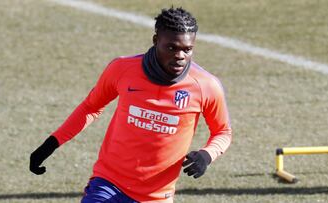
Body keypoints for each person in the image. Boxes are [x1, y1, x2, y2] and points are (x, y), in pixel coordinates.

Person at [30, 7, 232, 203]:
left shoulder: (206, 86)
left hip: (156, 196)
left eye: (187, 49)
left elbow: (223, 132)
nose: (180, 55)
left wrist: (207, 155)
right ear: (155, 41)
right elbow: (91, 107)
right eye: (172, 47)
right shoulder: (122, 69)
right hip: (108, 183)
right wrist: (50, 145)